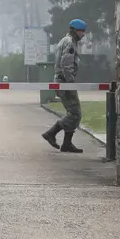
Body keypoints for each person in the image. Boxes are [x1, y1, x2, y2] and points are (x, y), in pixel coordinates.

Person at [42, 19, 87, 153]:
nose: (83, 34)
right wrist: (71, 82)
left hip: (62, 81)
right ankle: (51, 133)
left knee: (73, 112)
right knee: (75, 113)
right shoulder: (70, 42)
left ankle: (67, 144)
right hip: (65, 82)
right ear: (75, 30)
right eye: (81, 31)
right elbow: (66, 63)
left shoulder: (65, 40)